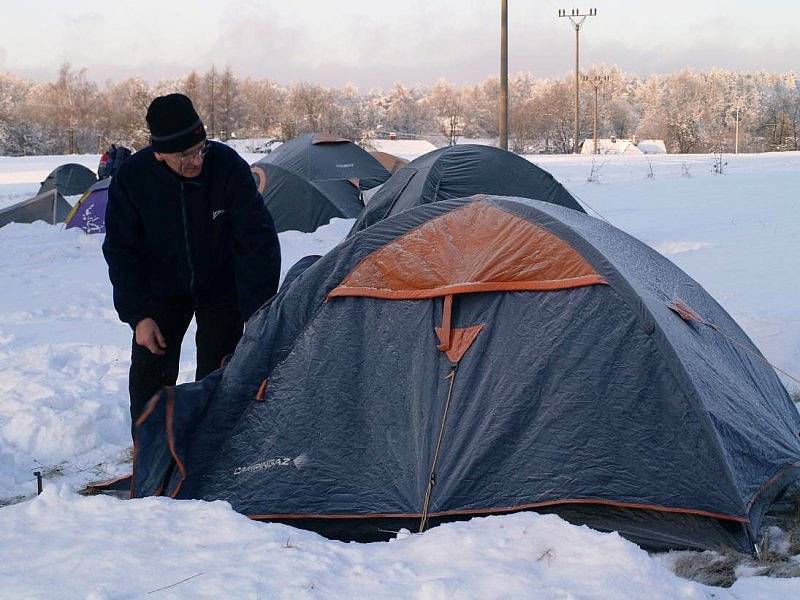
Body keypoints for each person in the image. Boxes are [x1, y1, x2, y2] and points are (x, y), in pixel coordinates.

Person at [102, 93, 280, 440]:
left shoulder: (227, 167)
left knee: (221, 374)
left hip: (221, 288)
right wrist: (139, 315)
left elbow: (257, 242)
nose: (197, 160)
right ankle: (151, 451)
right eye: (185, 155)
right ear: (159, 153)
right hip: (161, 292)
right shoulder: (133, 180)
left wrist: (258, 311)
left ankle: (213, 449)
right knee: (149, 377)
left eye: (201, 148)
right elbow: (122, 252)